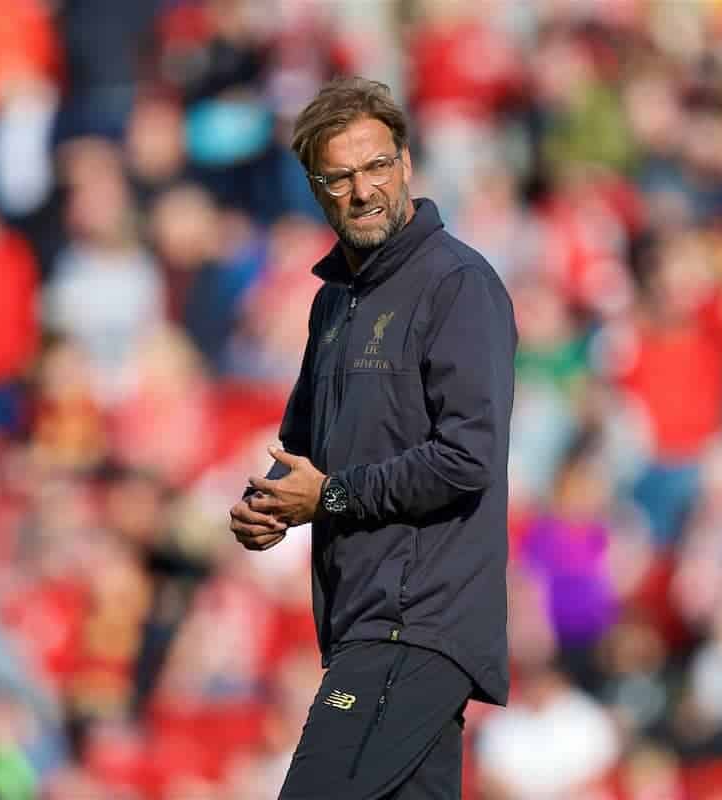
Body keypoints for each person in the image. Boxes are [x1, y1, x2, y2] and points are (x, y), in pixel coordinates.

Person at [227, 76, 517, 799]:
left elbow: (467, 457)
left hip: (413, 621)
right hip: (364, 620)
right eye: (341, 177)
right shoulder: (333, 303)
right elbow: (303, 446)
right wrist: (266, 504)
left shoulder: (457, 283)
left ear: (407, 163)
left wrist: (328, 496)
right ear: (316, 190)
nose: (363, 191)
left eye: (377, 166)